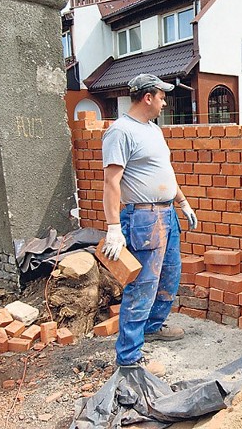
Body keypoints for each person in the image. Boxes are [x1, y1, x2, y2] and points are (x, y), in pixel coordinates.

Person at [100, 73, 198, 376]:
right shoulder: (120, 132)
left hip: (166, 214)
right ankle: (129, 357)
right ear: (148, 97)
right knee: (142, 287)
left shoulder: (153, 130)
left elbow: (163, 171)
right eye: (161, 96)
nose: (165, 101)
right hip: (143, 217)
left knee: (170, 275)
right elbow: (111, 182)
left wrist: (181, 201)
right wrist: (113, 227)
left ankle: (153, 327)